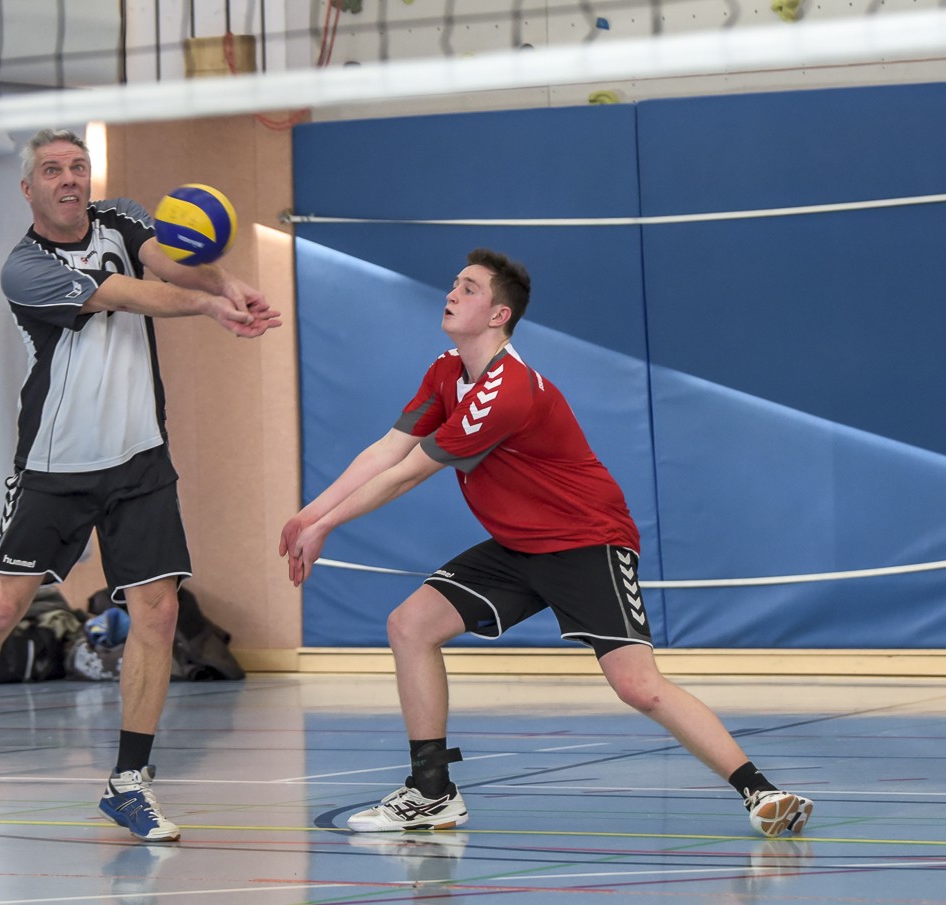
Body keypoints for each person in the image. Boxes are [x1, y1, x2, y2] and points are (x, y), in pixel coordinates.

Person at [280, 248, 814, 838]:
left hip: (587, 539)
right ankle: (432, 793)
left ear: (498, 315)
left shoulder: (505, 391)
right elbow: (388, 448)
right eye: (454, 283)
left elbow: (407, 474)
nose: (452, 293)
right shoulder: (445, 372)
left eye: (469, 288)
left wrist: (326, 527)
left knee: (638, 686)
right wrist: (310, 514)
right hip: (518, 544)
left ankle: (762, 791)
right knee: (410, 626)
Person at [0, 128, 281, 846]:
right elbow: (129, 294)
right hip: (56, 465)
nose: (69, 179)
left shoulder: (122, 216)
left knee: (159, 613)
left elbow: (166, 259)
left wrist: (227, 285)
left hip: (140, 457)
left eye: (78, 166)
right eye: (53, 170)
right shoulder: (24, 269)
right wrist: (207, 307)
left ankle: (129, 782)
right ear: (29, 189)